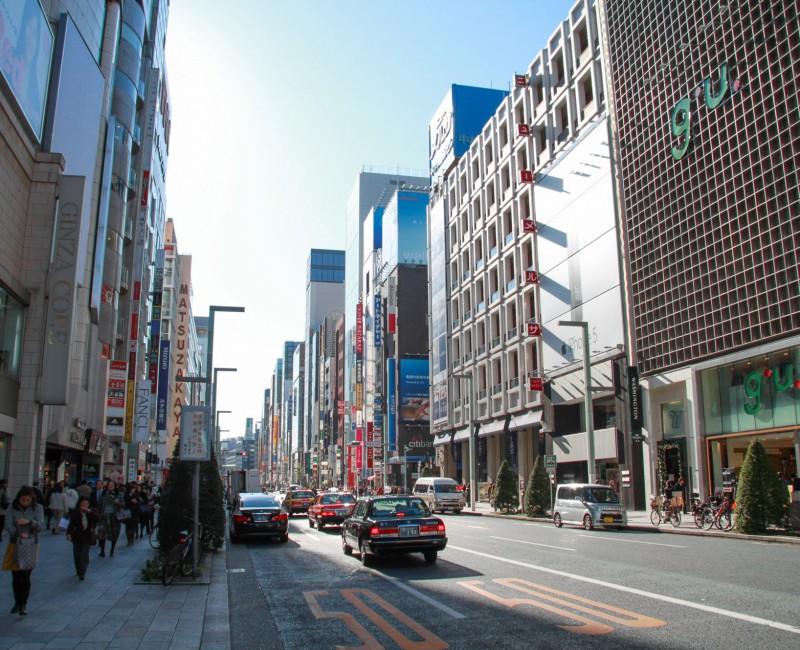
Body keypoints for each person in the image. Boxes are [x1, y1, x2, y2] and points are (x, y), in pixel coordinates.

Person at [2, 485, 44, 615]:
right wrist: (17, 533)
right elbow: (8, 524)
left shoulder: (38, 508)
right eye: (23, 500)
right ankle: (17, 601)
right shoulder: (12, 508)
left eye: (28, 500)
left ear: (32, 499)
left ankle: (23, 603)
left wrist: (29, 522)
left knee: (25, 576)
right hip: (15, 543)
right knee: (16, 575)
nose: (25, 502)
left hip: (30, 543)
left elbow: (40, 525)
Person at [65, 496, 99, 580]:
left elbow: (98, 518)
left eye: (86, 504)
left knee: (84, 554)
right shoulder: (75, 512)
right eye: (83, 504)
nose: (84, 505)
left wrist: (89, 511)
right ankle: (78, 570)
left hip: (87, 536)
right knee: (77, 555)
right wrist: (68, 533)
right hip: (77, 536)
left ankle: (82, 572)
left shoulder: (91, 512)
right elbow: (71, 524)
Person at [97, 480, 123, 558]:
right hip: (104, 517)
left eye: (112, 485)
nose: (110, 486)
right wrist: (99, 514)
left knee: (114, 534)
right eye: (109, 484)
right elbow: (100, 505)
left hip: (114, 518)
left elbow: (124, 505)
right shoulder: (104, 494)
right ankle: (102, 551)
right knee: (101, 534)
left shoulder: (118, 495)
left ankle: (112, 550)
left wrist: (118, 503)